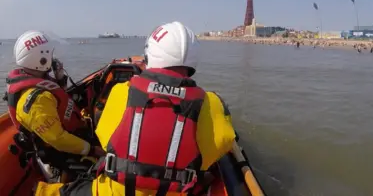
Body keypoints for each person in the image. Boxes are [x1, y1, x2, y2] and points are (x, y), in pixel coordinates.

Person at [34, 22, 236, 195]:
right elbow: (217, 149)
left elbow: (104, 139)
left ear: (151, 54)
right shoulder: (211, 104)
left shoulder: (123, 91)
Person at [4, 30, 105, 168]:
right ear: (42, 59)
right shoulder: (37, 101)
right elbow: (58, 139)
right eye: (50, 55)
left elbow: (58, 99)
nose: (54, 59)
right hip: (61, 150)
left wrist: (60, 79)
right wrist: (92, 150)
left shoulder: (39, 78)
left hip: (72, 130)